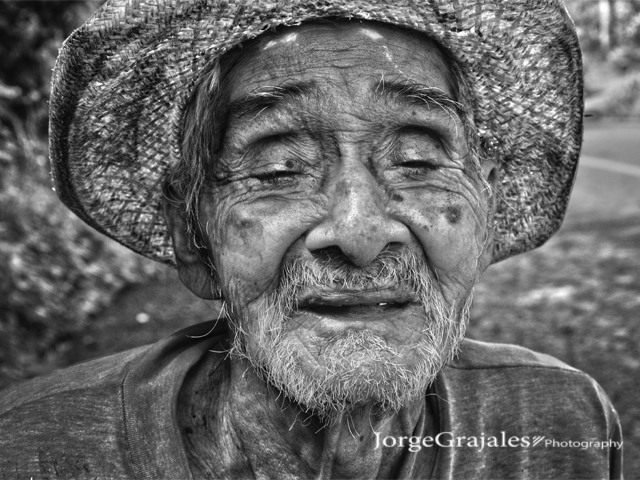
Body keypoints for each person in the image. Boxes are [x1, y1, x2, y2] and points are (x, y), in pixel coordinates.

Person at [0, 0, 623, 478]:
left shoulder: (561, 421)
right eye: (277, 170)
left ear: (483, 207)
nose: (359, 232)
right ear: (192, 233)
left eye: (416, 160)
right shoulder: (35, 447)